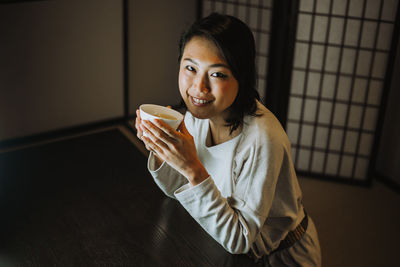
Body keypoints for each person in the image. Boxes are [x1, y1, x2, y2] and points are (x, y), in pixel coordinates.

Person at [134, 12, 321, 266]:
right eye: (190, 68)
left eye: (218, 74)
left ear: (241, 78)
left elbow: (240, 239)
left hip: (280, 257)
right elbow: (176, 192)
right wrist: (160, 148)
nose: (199, 87)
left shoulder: (264, 139)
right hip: (220, 245)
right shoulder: (194, 118)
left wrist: (192, 167)